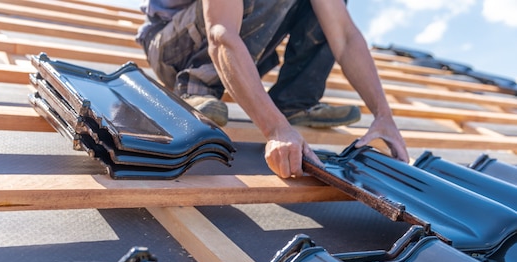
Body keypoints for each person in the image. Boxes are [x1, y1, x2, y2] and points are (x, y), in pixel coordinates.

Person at [136, 0, 409, 178]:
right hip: (172, 44)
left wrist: (383, 115)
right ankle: (196, 84)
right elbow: (220, 33)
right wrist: (274, 128)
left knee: (330, 8)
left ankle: (294, 102)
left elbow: (346, 37)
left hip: (231, 37)